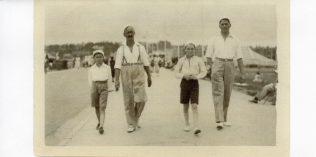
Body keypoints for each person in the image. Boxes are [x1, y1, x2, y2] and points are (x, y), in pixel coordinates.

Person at [206, 18, 246, 130]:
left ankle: (224, 118)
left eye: (226, 24)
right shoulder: (213, 39)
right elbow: (208, 56)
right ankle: (219, 120)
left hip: (230, 64)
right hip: (217, 63)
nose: (224, 26)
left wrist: (243, 72)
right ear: (219, 26)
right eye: (222, 24)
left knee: (227, 92)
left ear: (230, 25)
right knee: (218, 91)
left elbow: (239, 57)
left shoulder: (235, 40)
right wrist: (210, 69)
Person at [114, 26, 152, 133]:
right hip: (126, 71)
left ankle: (136, 117)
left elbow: (146, 63)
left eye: (131, 32)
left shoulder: (141, 47)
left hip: (139, 70)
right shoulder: (121, 49)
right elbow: (117, 66)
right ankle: (131, 124)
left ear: (134, 33)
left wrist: (149, 76)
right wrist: (116, 80)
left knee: (142, 98)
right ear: (124, 34)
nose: (130, 34)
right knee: (128, 99)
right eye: (128, 32)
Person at [174, 43, 207, 135]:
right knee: (185, 105)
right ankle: (187, 124)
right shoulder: (181, 60)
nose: (190, 50)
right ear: (185, 50)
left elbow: (204, 71)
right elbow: (176, 72)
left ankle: (196, 126)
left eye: (192, 49)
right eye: (188, 49)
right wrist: (183, 75)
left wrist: (196, 77)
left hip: (194, 83)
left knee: (194, 105)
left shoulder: (198, 60)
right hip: (184, 83)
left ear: (194, 50)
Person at [88, 50, 112, 134]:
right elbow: (90, 80)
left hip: (104, 86)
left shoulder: (107, 67)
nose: (99, 59)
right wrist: (92, 89)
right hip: (94, 86)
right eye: (97, 57)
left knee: (102, 107)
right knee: (96, 106)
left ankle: (101, 126)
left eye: (100, 57)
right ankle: (100, 122)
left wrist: (109, 88)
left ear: (103, 57)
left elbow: (109, 78)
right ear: (94, 58)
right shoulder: (91, 68)